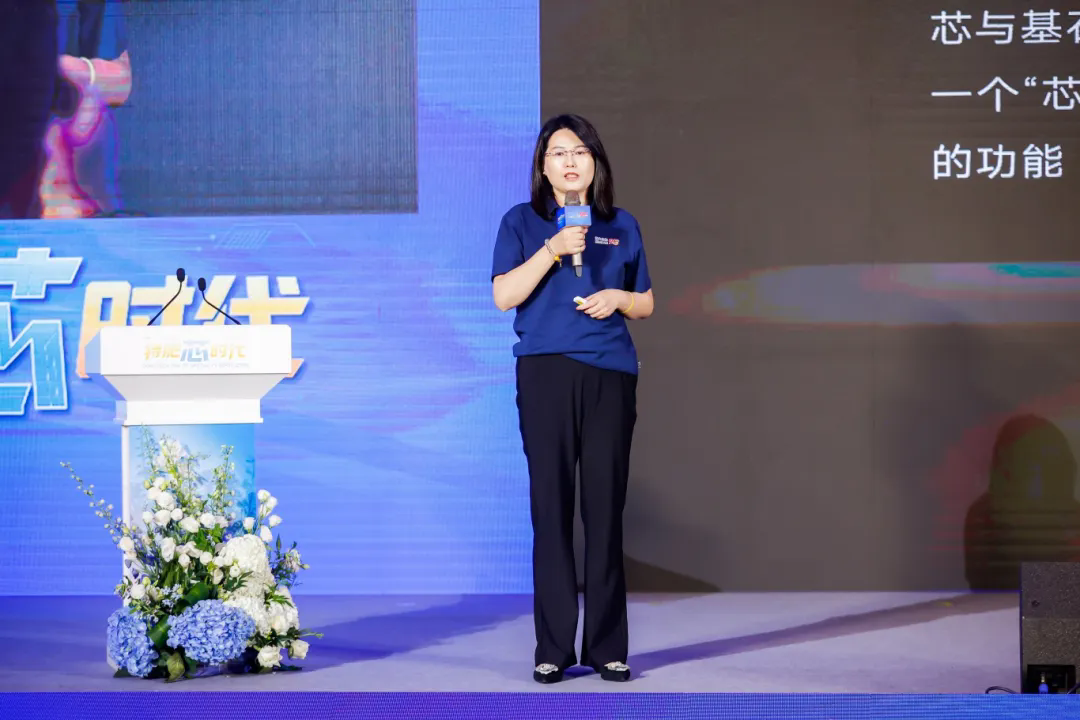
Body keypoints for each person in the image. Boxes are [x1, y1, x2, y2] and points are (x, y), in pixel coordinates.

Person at [491, 114, 654, 684]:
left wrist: (618, 298)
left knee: (605, 511)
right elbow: (503, 295)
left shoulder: (621, 224)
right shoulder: (521, 221)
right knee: (551, 509)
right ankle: (554, 646)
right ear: (543, 166)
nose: (569, 161)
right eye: (558, 152)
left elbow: (646, 301)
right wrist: (552, 249)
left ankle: (608, 647)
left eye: (580, 152)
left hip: (610, 373)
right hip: (545, 373)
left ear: (594, 163)